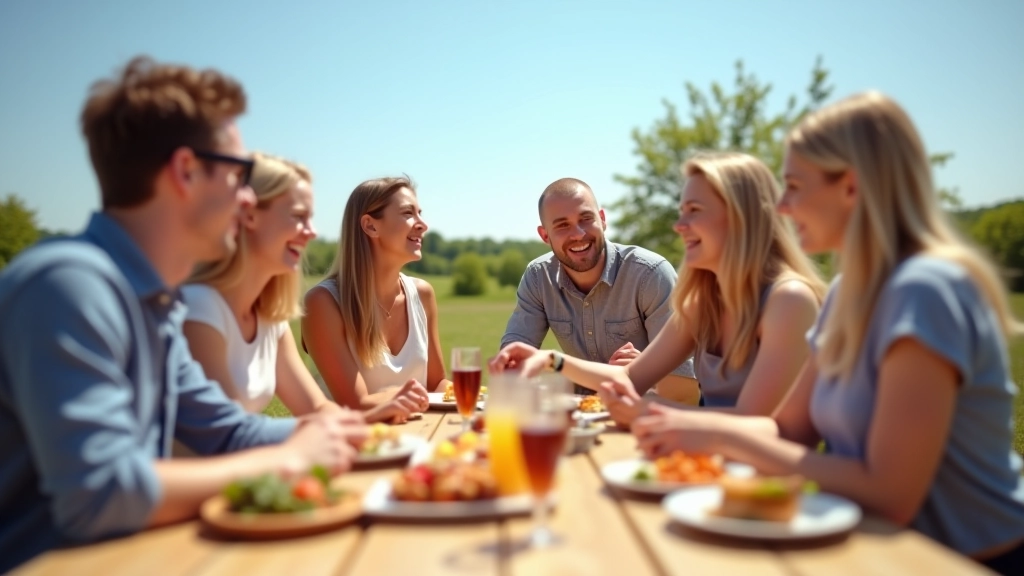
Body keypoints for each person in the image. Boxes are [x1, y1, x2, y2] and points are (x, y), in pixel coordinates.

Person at [630, 92, 1024, 573]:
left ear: (852, 188)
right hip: (877, 552)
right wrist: (687, 424)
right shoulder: (847, 292)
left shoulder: (925, 289)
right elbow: (789, 428)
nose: (783, 206)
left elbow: (890, 492)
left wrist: (715, 433)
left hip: (968, 560)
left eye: (794, 185)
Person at [0, 57, 365, 572]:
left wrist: (348, 435)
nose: (245, 200)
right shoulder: (67, 286)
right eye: (240, 175)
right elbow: (101, 494)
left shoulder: (153, 302)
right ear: (185, 171)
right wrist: (289, 459)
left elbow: (226, 432)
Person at [492, 158, 825, 422]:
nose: (679, 226)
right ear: (544, 235)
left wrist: (647, 410)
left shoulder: (789, 301)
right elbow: (631, 379)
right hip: (708, 461)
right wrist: (552, 360)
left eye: (694, 211)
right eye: (682, 212)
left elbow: (755, 425)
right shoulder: (703, 298)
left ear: (741, 218)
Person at [182, 153, 359, 417]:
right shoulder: (199, 307)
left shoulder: (269, 317)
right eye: (299, 216)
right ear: (249, 215)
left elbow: (316, 408)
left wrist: (370, 424)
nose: (312, 231)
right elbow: (226, 431)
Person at [500, 178, 700, 403]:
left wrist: (648, 369)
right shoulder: (538, 277)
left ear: (602, 220)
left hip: (645, 412)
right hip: (582, 418)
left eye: (586, 219)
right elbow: (513, 359)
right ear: (545, 235)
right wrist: (518, 367)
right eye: (562, 225)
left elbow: (685, 394)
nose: (577, 234)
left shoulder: (650, 274)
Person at [302, 176, 448, 420]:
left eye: (420, 213)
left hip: (413, 443)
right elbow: (355, 404)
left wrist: (475, 396)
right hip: (349, 451)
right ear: (370, 226)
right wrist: (416, 395)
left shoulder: (423, 295)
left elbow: (436, 385)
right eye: (407, 213)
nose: (423, 224)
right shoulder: (323, 303)